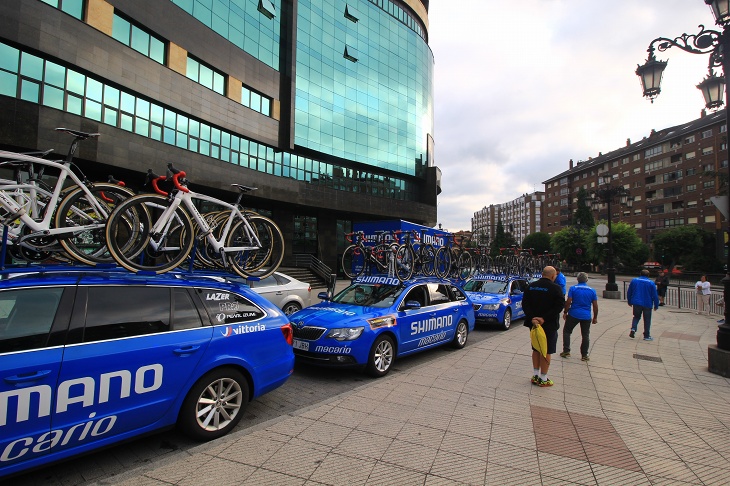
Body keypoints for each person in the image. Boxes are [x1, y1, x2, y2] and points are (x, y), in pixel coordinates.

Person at [522, 266, 565, 387]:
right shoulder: (556, 288)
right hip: (549, 324)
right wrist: (543, 318)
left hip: (533, 324)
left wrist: (533, 318)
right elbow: (559, 306)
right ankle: (543, 378)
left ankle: (535, 375)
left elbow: (525, 303)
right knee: (546, 350)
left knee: (536, 348)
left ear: (542, 274)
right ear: (553, 276)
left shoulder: (531, 286)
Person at [560, 272, 598, 361]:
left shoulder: (573, 288)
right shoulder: (592, 290)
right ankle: (584, 355)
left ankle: (566, 350)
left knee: (567, 331)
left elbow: (568, 302)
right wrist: (595, 317)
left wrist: (565, 312)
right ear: (587, 280)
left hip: (574, 314)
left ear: (577, 279)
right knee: (585, 335)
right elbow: (595, 306)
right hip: (586, 315)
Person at [627, 269, 660, 341]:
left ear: (640, 274)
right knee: (647, 319)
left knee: (636, 316)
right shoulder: (651, 283)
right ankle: (646, 335)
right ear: (648, 275)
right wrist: (656, 305)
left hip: (636, 302)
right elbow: (655, 295)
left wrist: (629, 301)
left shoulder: (634, 280)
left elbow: (629, 291)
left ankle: (633, 329)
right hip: (647, 303)